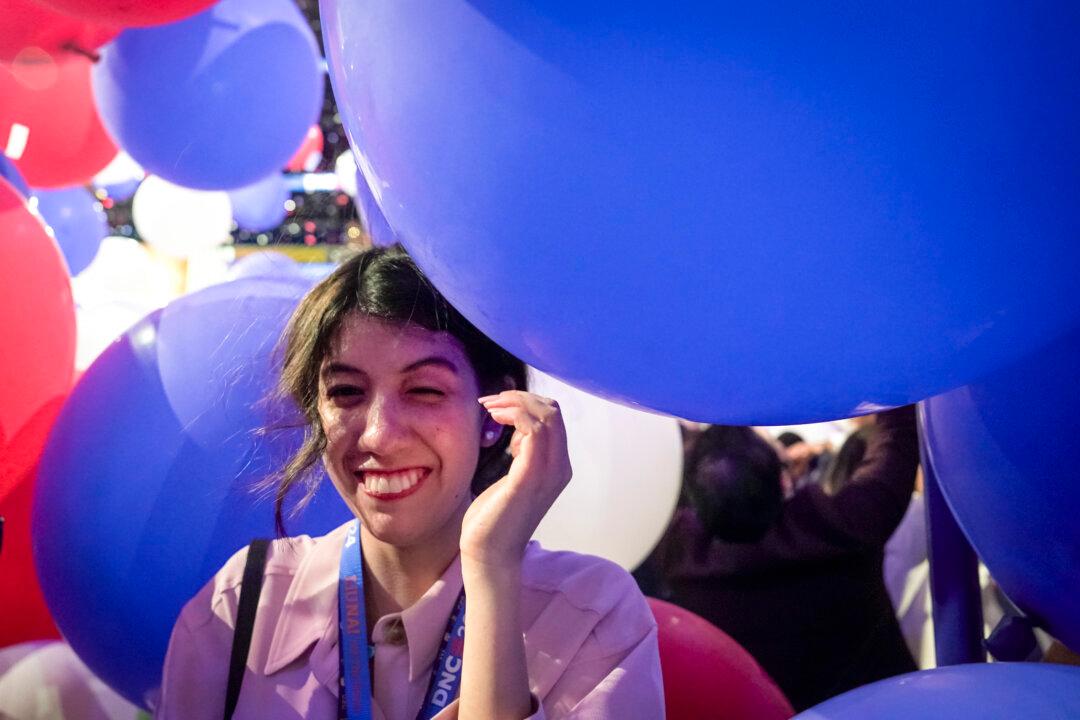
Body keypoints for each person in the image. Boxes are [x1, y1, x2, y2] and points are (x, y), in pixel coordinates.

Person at [155, 246, 664, 719]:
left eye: (424, 390)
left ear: (494, 415)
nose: (378, 435)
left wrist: (492, 567)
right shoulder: (243, 604)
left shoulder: (591, 617)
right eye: (347, 392)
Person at [642, 407, 918, 711]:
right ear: (784, 482)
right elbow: (896, 440)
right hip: (885, 707)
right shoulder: (841, 531)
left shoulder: (677, 562)